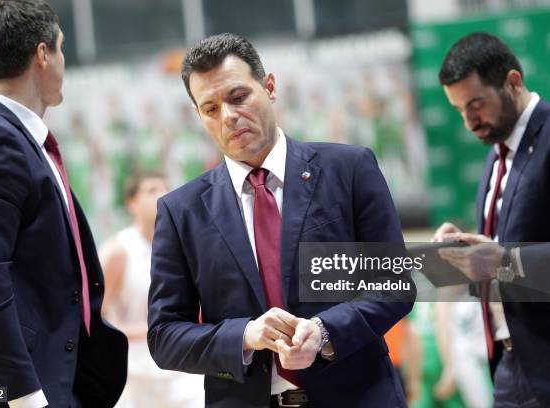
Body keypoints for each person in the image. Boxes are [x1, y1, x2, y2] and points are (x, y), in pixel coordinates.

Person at [147, 33, 414, 408]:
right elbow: (164, 336)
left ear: (269, 86)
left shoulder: (349, 170)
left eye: (238, 97)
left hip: (357, 396)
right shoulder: (181, 211)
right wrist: (245, 336)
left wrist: (324, 331)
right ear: (199, 116)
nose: (228, 116)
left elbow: (394, 285)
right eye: (211, 108)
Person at [0, 1, 127, 407]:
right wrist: (23, 397)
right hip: (13, 390)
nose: (63, 60)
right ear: (43, 55)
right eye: (60, 48)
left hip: (50, 378)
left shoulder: (16, 139)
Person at [433, 32, 550, 407]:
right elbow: (509, 243)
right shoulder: (498, 150)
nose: (469, 122)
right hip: (507, 362)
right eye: (459, 110)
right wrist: (467, 245)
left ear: (512, 82)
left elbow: (507, 258)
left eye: (476, 104)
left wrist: (502, 261)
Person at [100, 170, 204, 407]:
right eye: (151, 190)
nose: (162, 195)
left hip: (181, 372)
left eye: (165, 188)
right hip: (133, 377)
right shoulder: (117, 251)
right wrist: (152, 330)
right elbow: (94, 322)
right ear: (132, 203)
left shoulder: (185, 246)